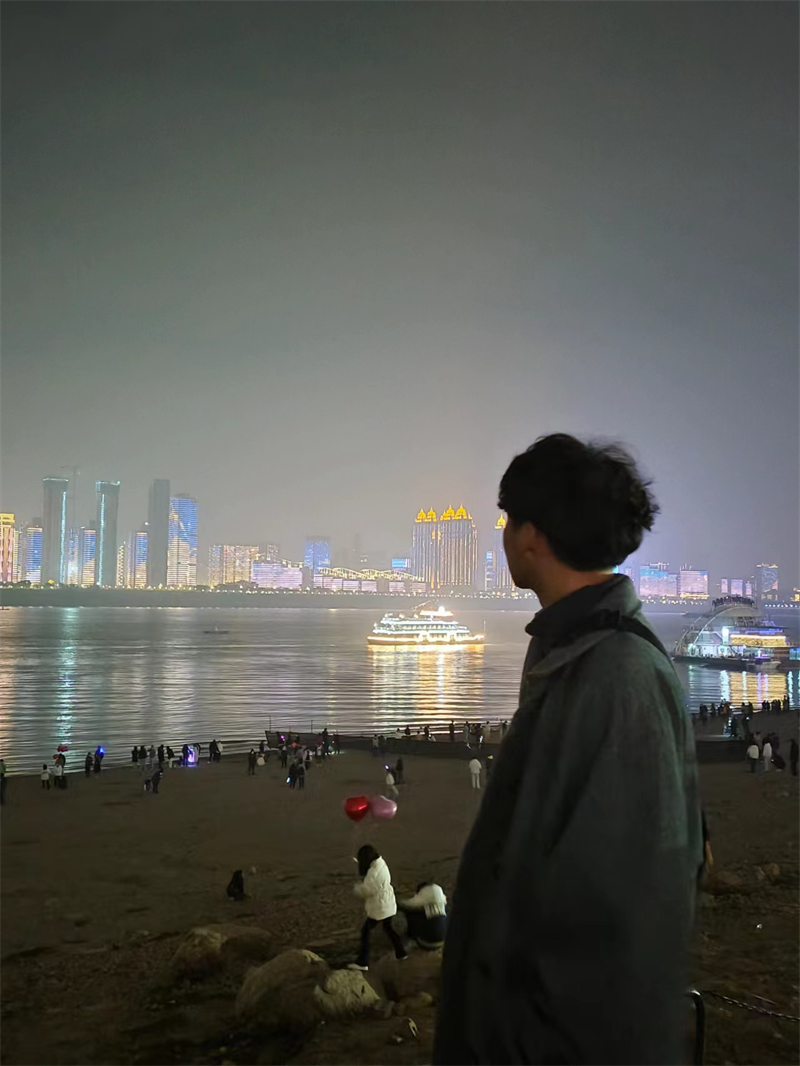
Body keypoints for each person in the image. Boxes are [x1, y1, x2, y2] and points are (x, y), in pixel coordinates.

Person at [434, 434, 702, 1066]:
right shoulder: (572, 647)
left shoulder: (618, 675)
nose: (503, 537)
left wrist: (512, 1042)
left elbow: (612, 920)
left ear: (531, 535)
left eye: (507, 521)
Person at [347, 845, 407, 971]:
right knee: (388, 928)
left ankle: (363, 962)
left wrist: (356, 887)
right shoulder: (381, 864)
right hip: (387, 903)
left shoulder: (373, 873)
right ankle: (401, 953)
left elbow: (366, 891)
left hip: (380, 907)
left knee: (366, 932)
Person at [398, 881, 448, 949]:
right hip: (443, 940)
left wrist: (395, 901)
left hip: (425, 942)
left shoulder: (424, 896)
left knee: (411, 912)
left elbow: (407, 904)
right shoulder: (442, 900)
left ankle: (411, 937)